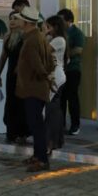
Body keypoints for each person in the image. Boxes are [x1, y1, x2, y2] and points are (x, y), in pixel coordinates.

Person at [16, 6, 55, 172]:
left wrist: (44, 76)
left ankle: (42, 159)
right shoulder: (39, 37)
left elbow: (37, 65)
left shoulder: (31, 40)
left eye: (19, 19)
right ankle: (38, 156)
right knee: (36, 125)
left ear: (26, 22)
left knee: (36, 126)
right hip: (37, 87)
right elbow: (51, 62)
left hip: (33, 88)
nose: (16, 21)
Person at [0, 10, 30, 144]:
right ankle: (11, 132)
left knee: (22, 103)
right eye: (10, 18)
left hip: (23, 75)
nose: (12, 21)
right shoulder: (7, 37)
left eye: (15, 19)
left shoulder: (26, 37)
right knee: (11, 102)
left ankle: (23, 133)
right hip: (11, 74)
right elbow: (3, 56)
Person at [57, 8, 85, 136]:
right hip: (60, 70)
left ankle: (75, 125)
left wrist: (64, 54)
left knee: (72, 98)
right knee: (60, 99)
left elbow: (78, 50)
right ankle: (60, 124)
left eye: (61, 20)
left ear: (69, 21)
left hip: (72, 70)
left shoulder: (77, 33)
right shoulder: (59, 33)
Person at [44, 15, 67, 154]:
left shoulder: (58, 40)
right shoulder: (54, 39)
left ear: (55, 27)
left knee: (52, 112)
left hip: (56, 78)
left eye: (49, 27)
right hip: (56, 76)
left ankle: (51, 141)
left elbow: (43, 51)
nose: (47, 30)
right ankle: (56, 141)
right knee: (54, 111)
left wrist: (42, 34)